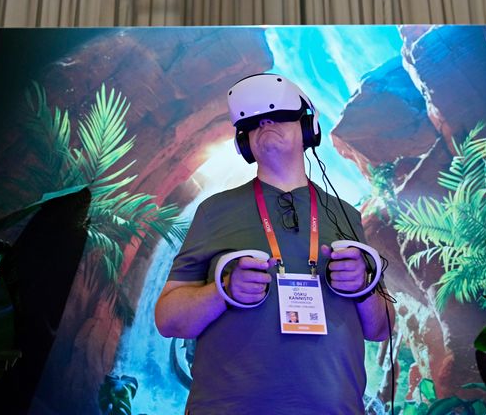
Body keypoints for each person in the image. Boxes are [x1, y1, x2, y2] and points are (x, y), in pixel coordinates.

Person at [155, 73, 392, 414]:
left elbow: (381, 328)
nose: (265, 123)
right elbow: (168, 320)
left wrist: (363, 288)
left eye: (279, 114)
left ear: (308, 130)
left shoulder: (347, 216)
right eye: (253, 123)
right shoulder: (214, 210)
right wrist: (223, 290)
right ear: (244, 143)